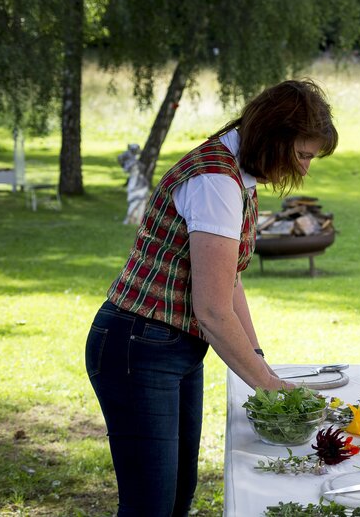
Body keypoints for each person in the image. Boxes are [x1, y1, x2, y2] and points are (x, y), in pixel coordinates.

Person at [85, 79, 338, 516]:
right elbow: (213, 310)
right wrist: (270, 386)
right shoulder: (215, 180)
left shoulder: (239, 173)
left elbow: (229, 278)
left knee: (177, 497)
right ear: (273, 137)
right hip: (138, 346)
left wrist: (257, 359)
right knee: (150, 505)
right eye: (302, 154)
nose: (304, 169)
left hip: (170, 346)